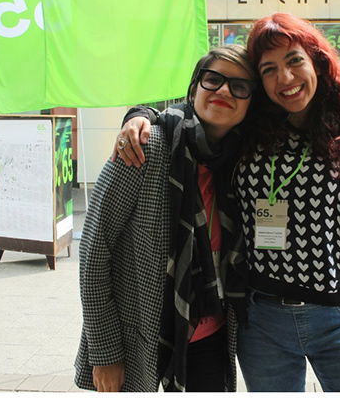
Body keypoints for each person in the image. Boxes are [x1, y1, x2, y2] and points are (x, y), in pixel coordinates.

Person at [116, 13, 340, 393]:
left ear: (317, 63)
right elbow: (195, 112)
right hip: (262, 322)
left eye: (294, 61)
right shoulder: (247, 134)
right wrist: (141, 115)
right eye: (269, 69)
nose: (285, 79)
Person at [75, 45, 258, 392]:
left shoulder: (243, 165)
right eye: (213, 80)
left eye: (239, 86)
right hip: (135, 337)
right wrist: (104, 353)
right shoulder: (146, 146)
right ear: (193, 90)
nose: (223, 91)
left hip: (210, 334)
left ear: (251, 104)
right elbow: (94, 253)